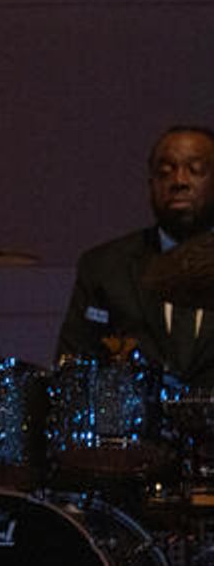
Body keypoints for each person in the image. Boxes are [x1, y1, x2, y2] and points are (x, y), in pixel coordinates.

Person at [56, 126, 214, 386]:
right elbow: (72, 367)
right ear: (150, 185)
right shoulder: (104, 267)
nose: (179, 181)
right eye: (165, 172)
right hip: (135, 423)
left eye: (195, 170)